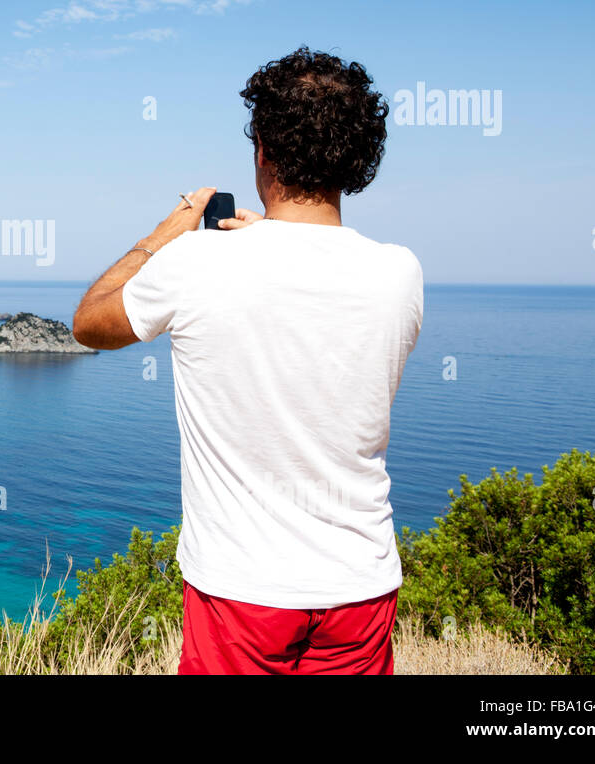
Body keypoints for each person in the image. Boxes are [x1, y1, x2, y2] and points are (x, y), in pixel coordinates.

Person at [72, 47, 423, 674]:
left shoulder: (196, 262)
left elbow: (89, 324)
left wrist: (165, 233)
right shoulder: (401, 272)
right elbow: (309, 302)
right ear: (359, 155)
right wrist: (272, 238)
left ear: (262, 150)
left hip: (242, 590)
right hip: (360, 586)